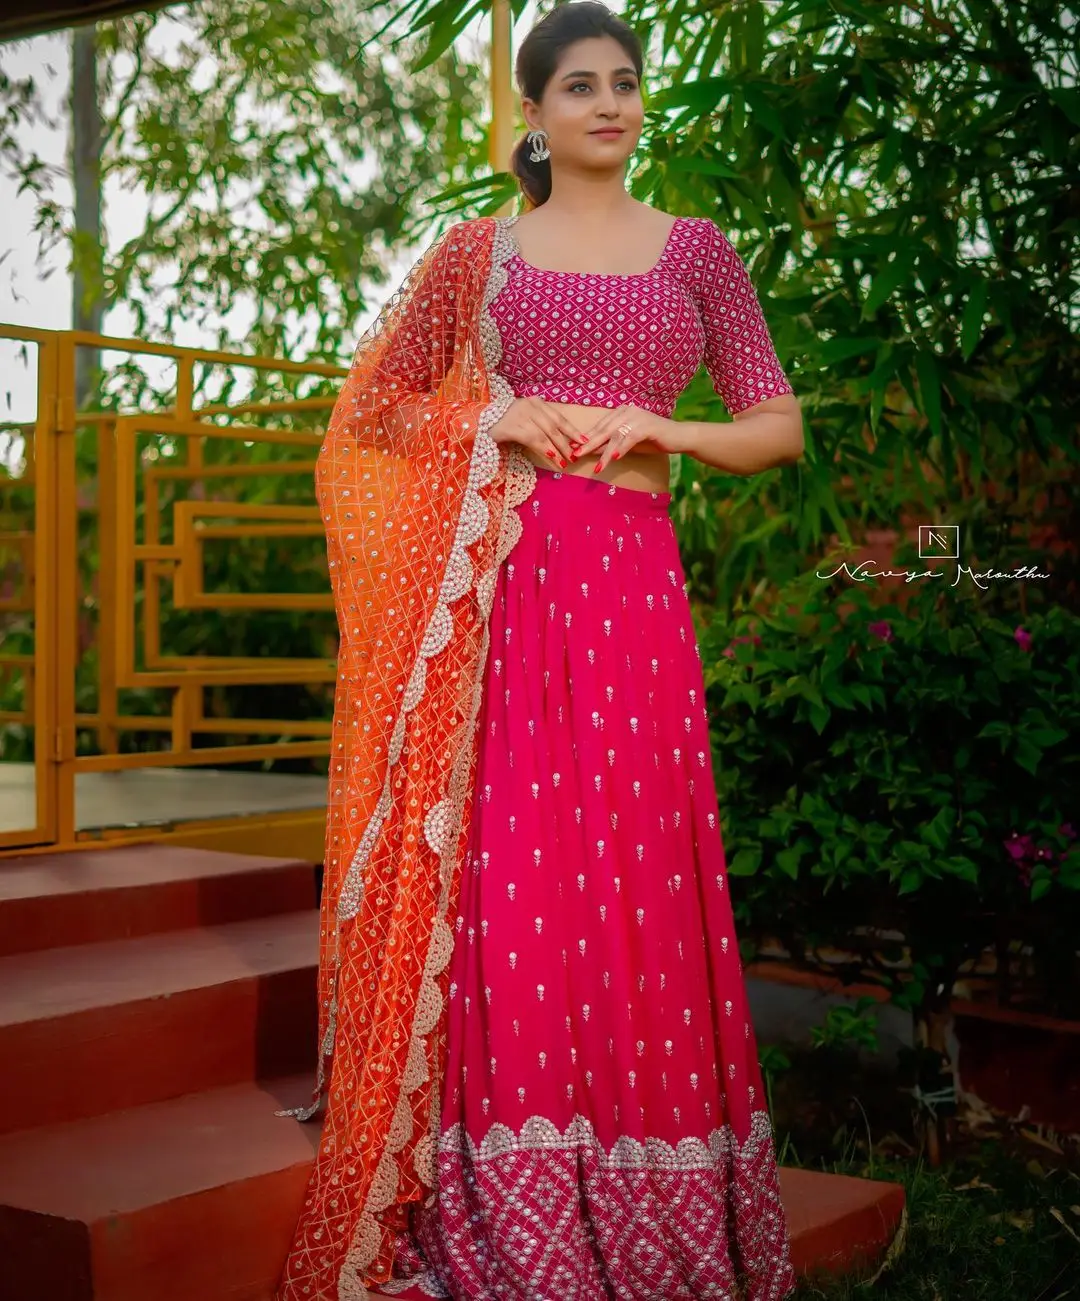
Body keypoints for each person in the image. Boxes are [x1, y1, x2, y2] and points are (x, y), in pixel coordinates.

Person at [275, 3, 804, 1298]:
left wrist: (660, 431)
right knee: (515, 872)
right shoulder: (475, 255)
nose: (610, 105)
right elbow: (376, 412)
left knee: (631, 862)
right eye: (581, 86)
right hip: (505, 588)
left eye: (626, 83)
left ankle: (648, 1182)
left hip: (631, 592)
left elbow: (776, 424)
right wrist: (502, 414)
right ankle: (505, 1183)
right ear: (534, 113)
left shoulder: (699, 255)